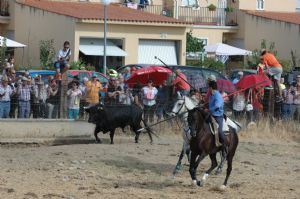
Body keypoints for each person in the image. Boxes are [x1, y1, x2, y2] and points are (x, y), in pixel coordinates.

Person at [207, 80, 227, 156]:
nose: (208, 89)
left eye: (208, 87)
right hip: (211, 114)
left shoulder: (217, 95)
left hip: (218, 116)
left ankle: (224, 147)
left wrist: (209, 109)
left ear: (211, 88)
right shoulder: (211, 95)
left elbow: (217, 106)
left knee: (219, 131)